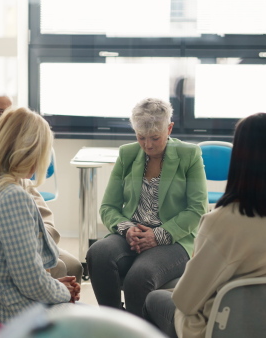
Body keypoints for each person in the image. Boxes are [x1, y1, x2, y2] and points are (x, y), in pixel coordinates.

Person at [142, 113, 266, 338]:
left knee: (155, 299)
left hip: (224, 330)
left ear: (240, 158)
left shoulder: (222, 221)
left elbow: (186, 299)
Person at [0, 77, 83, 282]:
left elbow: (37, 203)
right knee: (60, 268)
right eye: (1, 114)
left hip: (32, 239)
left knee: (74, 266)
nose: (9, 119)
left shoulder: (15, 146)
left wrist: (46, 236)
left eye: (10, 112)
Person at [0, 107, 80, 323]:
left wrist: (58, 286)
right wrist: (64, 291)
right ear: (29, 151)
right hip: (13, 313)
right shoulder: (12, 198)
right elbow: (32, 283)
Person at [85, 98, 208, 317]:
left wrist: (157, 235)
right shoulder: (127, 154)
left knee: (138, 277)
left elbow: (197, 209)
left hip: (175, 239)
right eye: (141, 137)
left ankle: (141, 331)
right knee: (98, 253)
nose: (148, 145)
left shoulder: (189, 155)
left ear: (169, 128)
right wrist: (127, 229)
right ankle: (113, 323)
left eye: (155, 138)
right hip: (131, 234)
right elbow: (108, 207)